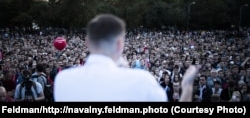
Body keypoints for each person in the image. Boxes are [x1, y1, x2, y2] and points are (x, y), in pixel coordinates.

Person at [54, 14, 200, 102]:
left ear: (87, 43)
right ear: (119, 44)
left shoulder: (62, 80)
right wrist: (187, 87)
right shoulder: (142, 80)